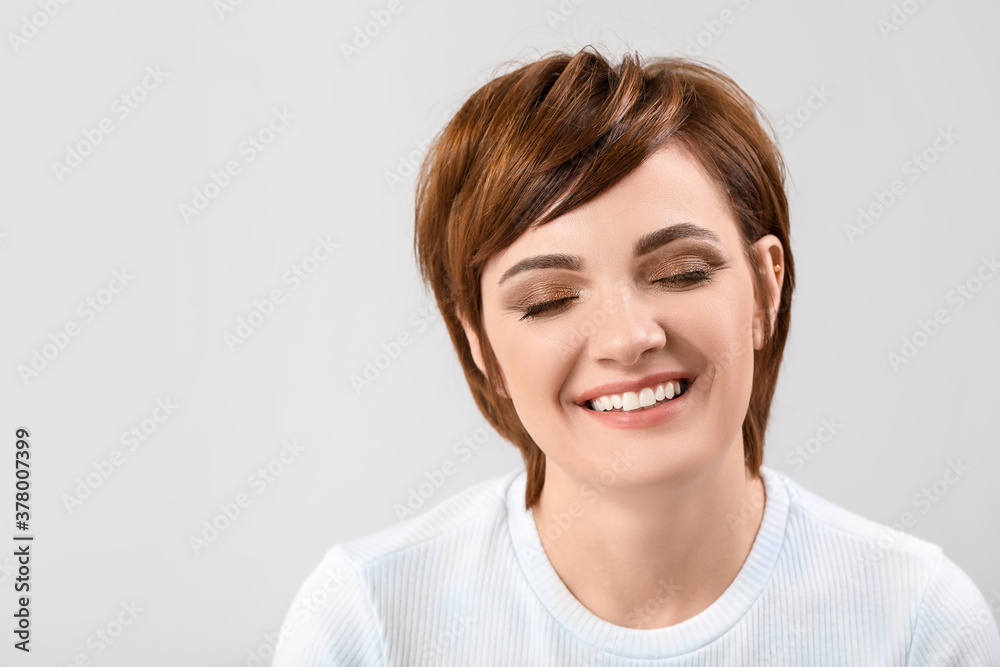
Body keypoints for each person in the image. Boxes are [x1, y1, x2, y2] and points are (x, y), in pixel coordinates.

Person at [272, 46, 1000, 666]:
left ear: (764, 291)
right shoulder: (368, 622)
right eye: (550, 298)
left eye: (681, 272)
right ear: (478, 343)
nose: (628, 338)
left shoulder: (915, 621)